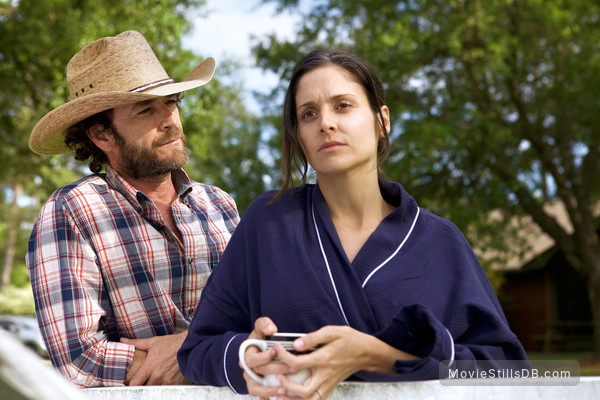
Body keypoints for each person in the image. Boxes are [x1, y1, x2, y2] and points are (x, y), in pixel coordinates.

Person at [177, 49, 528, 399]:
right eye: (308, 113)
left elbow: (509, 369)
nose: (325, 123)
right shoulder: (268, 222)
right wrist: (247, 356)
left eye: (343, 105)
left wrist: (378, 356)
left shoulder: (440, 242)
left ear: (382, 120)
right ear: (298, 134)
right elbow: (198, 350)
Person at [26, 30, 239, 388]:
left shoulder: (220, 205)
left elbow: (261, 321)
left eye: (172, 101)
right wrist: (213, 356)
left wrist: (189, 349)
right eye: (145, 109)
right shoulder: (72, 212)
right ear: (101, 135)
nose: (170, 118)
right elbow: (79, 359)